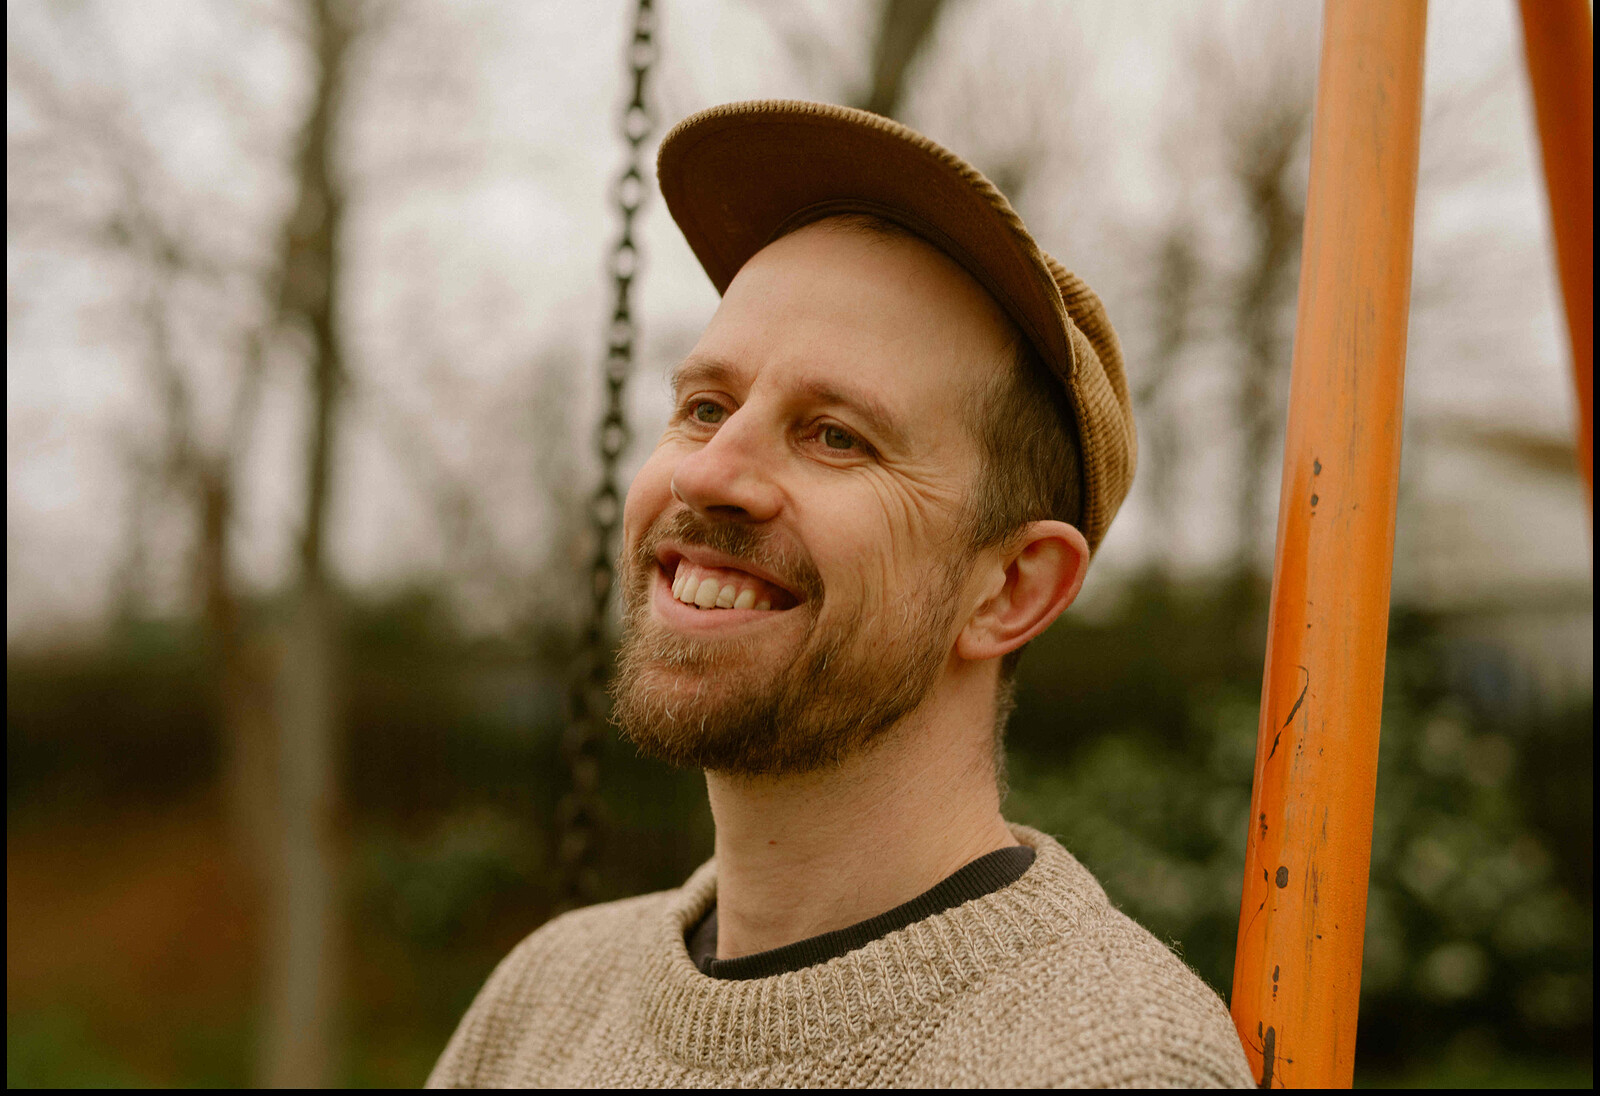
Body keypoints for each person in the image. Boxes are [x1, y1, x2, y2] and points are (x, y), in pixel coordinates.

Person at [427, 101, 1254, 1088]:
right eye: (704, 407)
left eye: (835, 436)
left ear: (1010, 590)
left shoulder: (1103, 1067)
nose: (706, 475)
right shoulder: (546, 997)